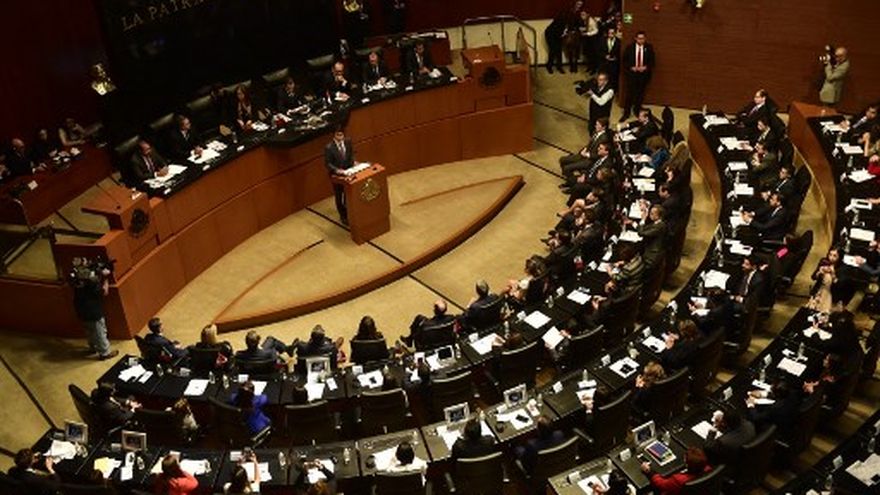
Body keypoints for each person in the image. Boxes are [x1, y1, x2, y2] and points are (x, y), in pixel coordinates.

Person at [71, 259, 118, 360]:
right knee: (99, 331)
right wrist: (105, 278)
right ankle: (105, 353)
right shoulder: (91, 281)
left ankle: (93, 347)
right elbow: (104, 291)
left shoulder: (76, 278)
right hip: (92, 310)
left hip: (80, 308)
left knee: (89, 330)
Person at [641, 446, 710, 495]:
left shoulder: (678, 480)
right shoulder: (708, 470)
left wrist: (649, 471)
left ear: (687, 464)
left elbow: (661, 484)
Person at [620, 31, 655, 122]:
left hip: (643, 76)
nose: (641, 40)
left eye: (643, 38)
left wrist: (645, 67)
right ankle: (626, 113)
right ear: (635, 39)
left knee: (640, 94)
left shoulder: (649, 47)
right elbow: (624, 61)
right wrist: (631, 67)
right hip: (632, 75)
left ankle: (637, 110)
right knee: (629, 95)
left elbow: (652, 62)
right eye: (639, 38)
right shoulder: (630, 47)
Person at [324, 126, 354, 224]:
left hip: (348, 172)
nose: (340, 136)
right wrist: (337, 170)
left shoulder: (348, 142)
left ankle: (349, 213)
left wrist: (353, 164)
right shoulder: (329, 148)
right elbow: (328, 164)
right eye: (338, 134)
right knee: (339, 196)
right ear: (334, 135)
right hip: (336, 176)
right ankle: (343, 216)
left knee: (347, 194)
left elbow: (351, 155)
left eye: (342, 134)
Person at [635, 204, 668, 272]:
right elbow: (645, 229)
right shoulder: (657, 223)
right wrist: (633, 223)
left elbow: (641, 233)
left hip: (651, 256)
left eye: (652, 214)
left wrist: (643, 220)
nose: (649, 215)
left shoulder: (659, 227)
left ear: (658, 216)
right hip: (650, 251)